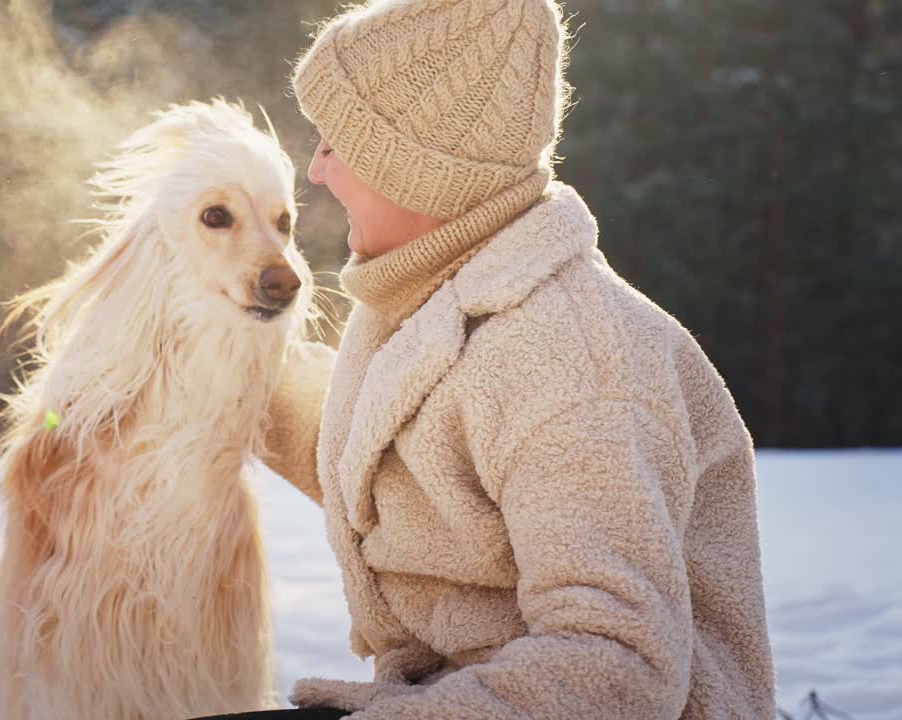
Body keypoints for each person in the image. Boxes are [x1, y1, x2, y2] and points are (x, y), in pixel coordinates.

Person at [259, 0, 778, 717]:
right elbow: (412, 473)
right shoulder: (438, 297)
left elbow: (616, 669)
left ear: (418, 168)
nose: (316, 170)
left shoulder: (573, 363)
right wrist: (225, 377)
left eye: (337, 142)